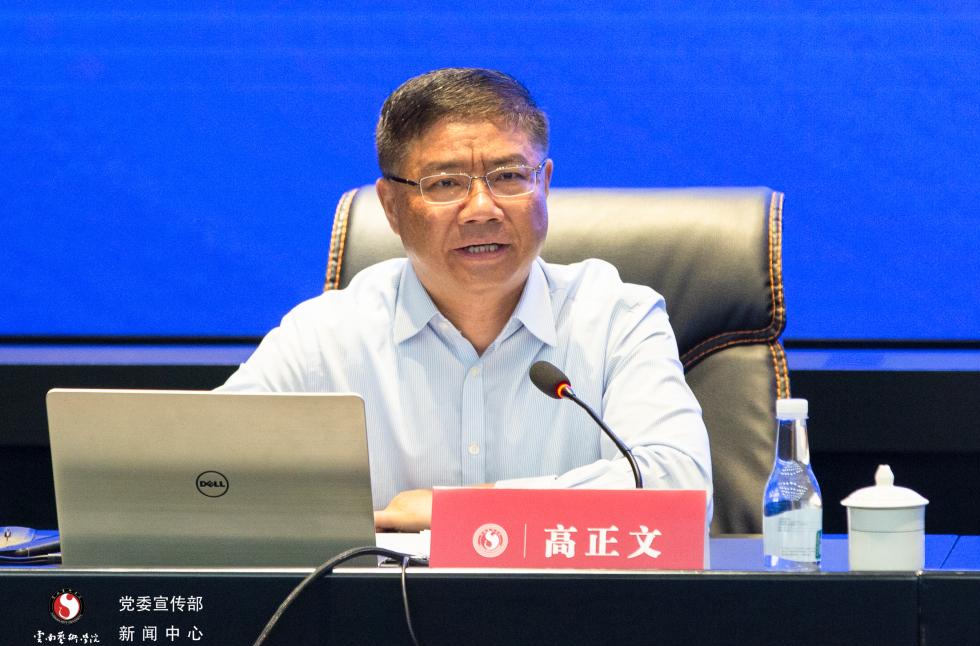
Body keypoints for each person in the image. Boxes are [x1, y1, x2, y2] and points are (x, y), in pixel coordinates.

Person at [219, 68, 712, 531]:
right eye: (445, 184)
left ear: (544, 184)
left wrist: (456, 509)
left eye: (509, 176)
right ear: (391, 207)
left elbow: (681, 490)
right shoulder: (325, 335)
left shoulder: (616, 317)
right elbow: (207, 473)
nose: (482, 209)